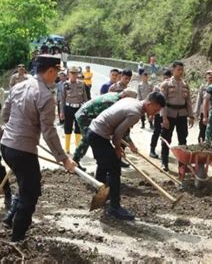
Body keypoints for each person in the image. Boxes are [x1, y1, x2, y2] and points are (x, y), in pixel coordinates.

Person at [1, 53, 76, 242]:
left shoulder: (18, 86)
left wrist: (17, 131)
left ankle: (10, 219)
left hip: (7, 146)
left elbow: (5, 114)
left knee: (26, 184)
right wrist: (64, 159)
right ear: (50, 70)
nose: (58, 76)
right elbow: (49, 132)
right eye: (57, 72)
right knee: (31, 191)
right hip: (23, 151)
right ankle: (17, 239)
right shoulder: (45, 96)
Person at [87, 92, 166, 220]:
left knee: (103, 165)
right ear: (150, 104)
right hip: (99, 135)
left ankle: (100, 196)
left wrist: (121, 144)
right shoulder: (135, 113)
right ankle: (114, 207)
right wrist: (117, 148)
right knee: (114, 168)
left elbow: (117, 125)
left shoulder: (132, 101)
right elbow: (118, 132)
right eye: (156, 110)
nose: (156, 113)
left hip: (94, 131)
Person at [73, 89, 138, 170]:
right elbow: (120, 128)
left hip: (94, 116)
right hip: (85, 115)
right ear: (124, 96)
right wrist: (131, 144)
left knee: (101, 138)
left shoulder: (117, 97)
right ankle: (75, 161)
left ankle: (116, 160)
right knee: (88, 139)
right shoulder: (113, 103)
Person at [160, 61, 194, 171]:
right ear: (173, 70)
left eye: (182, 70)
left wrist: (191, 116)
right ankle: (164, 162)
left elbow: (188, 101)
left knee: (183, 139)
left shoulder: (185, 84)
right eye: (178, 69)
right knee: (166, 139)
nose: (181, 72)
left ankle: (182, 164)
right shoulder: (166, 84)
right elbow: (162, 102)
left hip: (182, 115)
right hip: (169, 114)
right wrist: (164, 117)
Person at [60, 66, 89, 154]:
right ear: (69, 74)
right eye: (72, 73)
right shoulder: (65, 84)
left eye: (75, 73)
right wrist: (62, 111)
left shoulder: (81, 84)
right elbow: (62, 99)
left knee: (78, 127)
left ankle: (77, 147)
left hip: (79, 108)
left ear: (77, 74)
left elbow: (85, 98)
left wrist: (86, 109)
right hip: (69, 108)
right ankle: (67, 148)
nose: (73, 75)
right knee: (67, 127)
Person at [149, 69, 172, 159]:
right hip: (158, 113)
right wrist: (151, 115)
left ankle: (164, 152)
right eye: (165, 78)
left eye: (168, 78)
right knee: (156, 131)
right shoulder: (157, 87)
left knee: (166, 133)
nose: (166, 80)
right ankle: (152, 149)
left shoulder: (172, 87)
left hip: (168, 113)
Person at [195, 70, 212, 143]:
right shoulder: (203, 87)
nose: (211, 77)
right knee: (202, 129)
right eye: (209, 76)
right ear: (206, 77)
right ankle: (201, 144)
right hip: (204, 112)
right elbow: (199, 99)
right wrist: (196, 113)